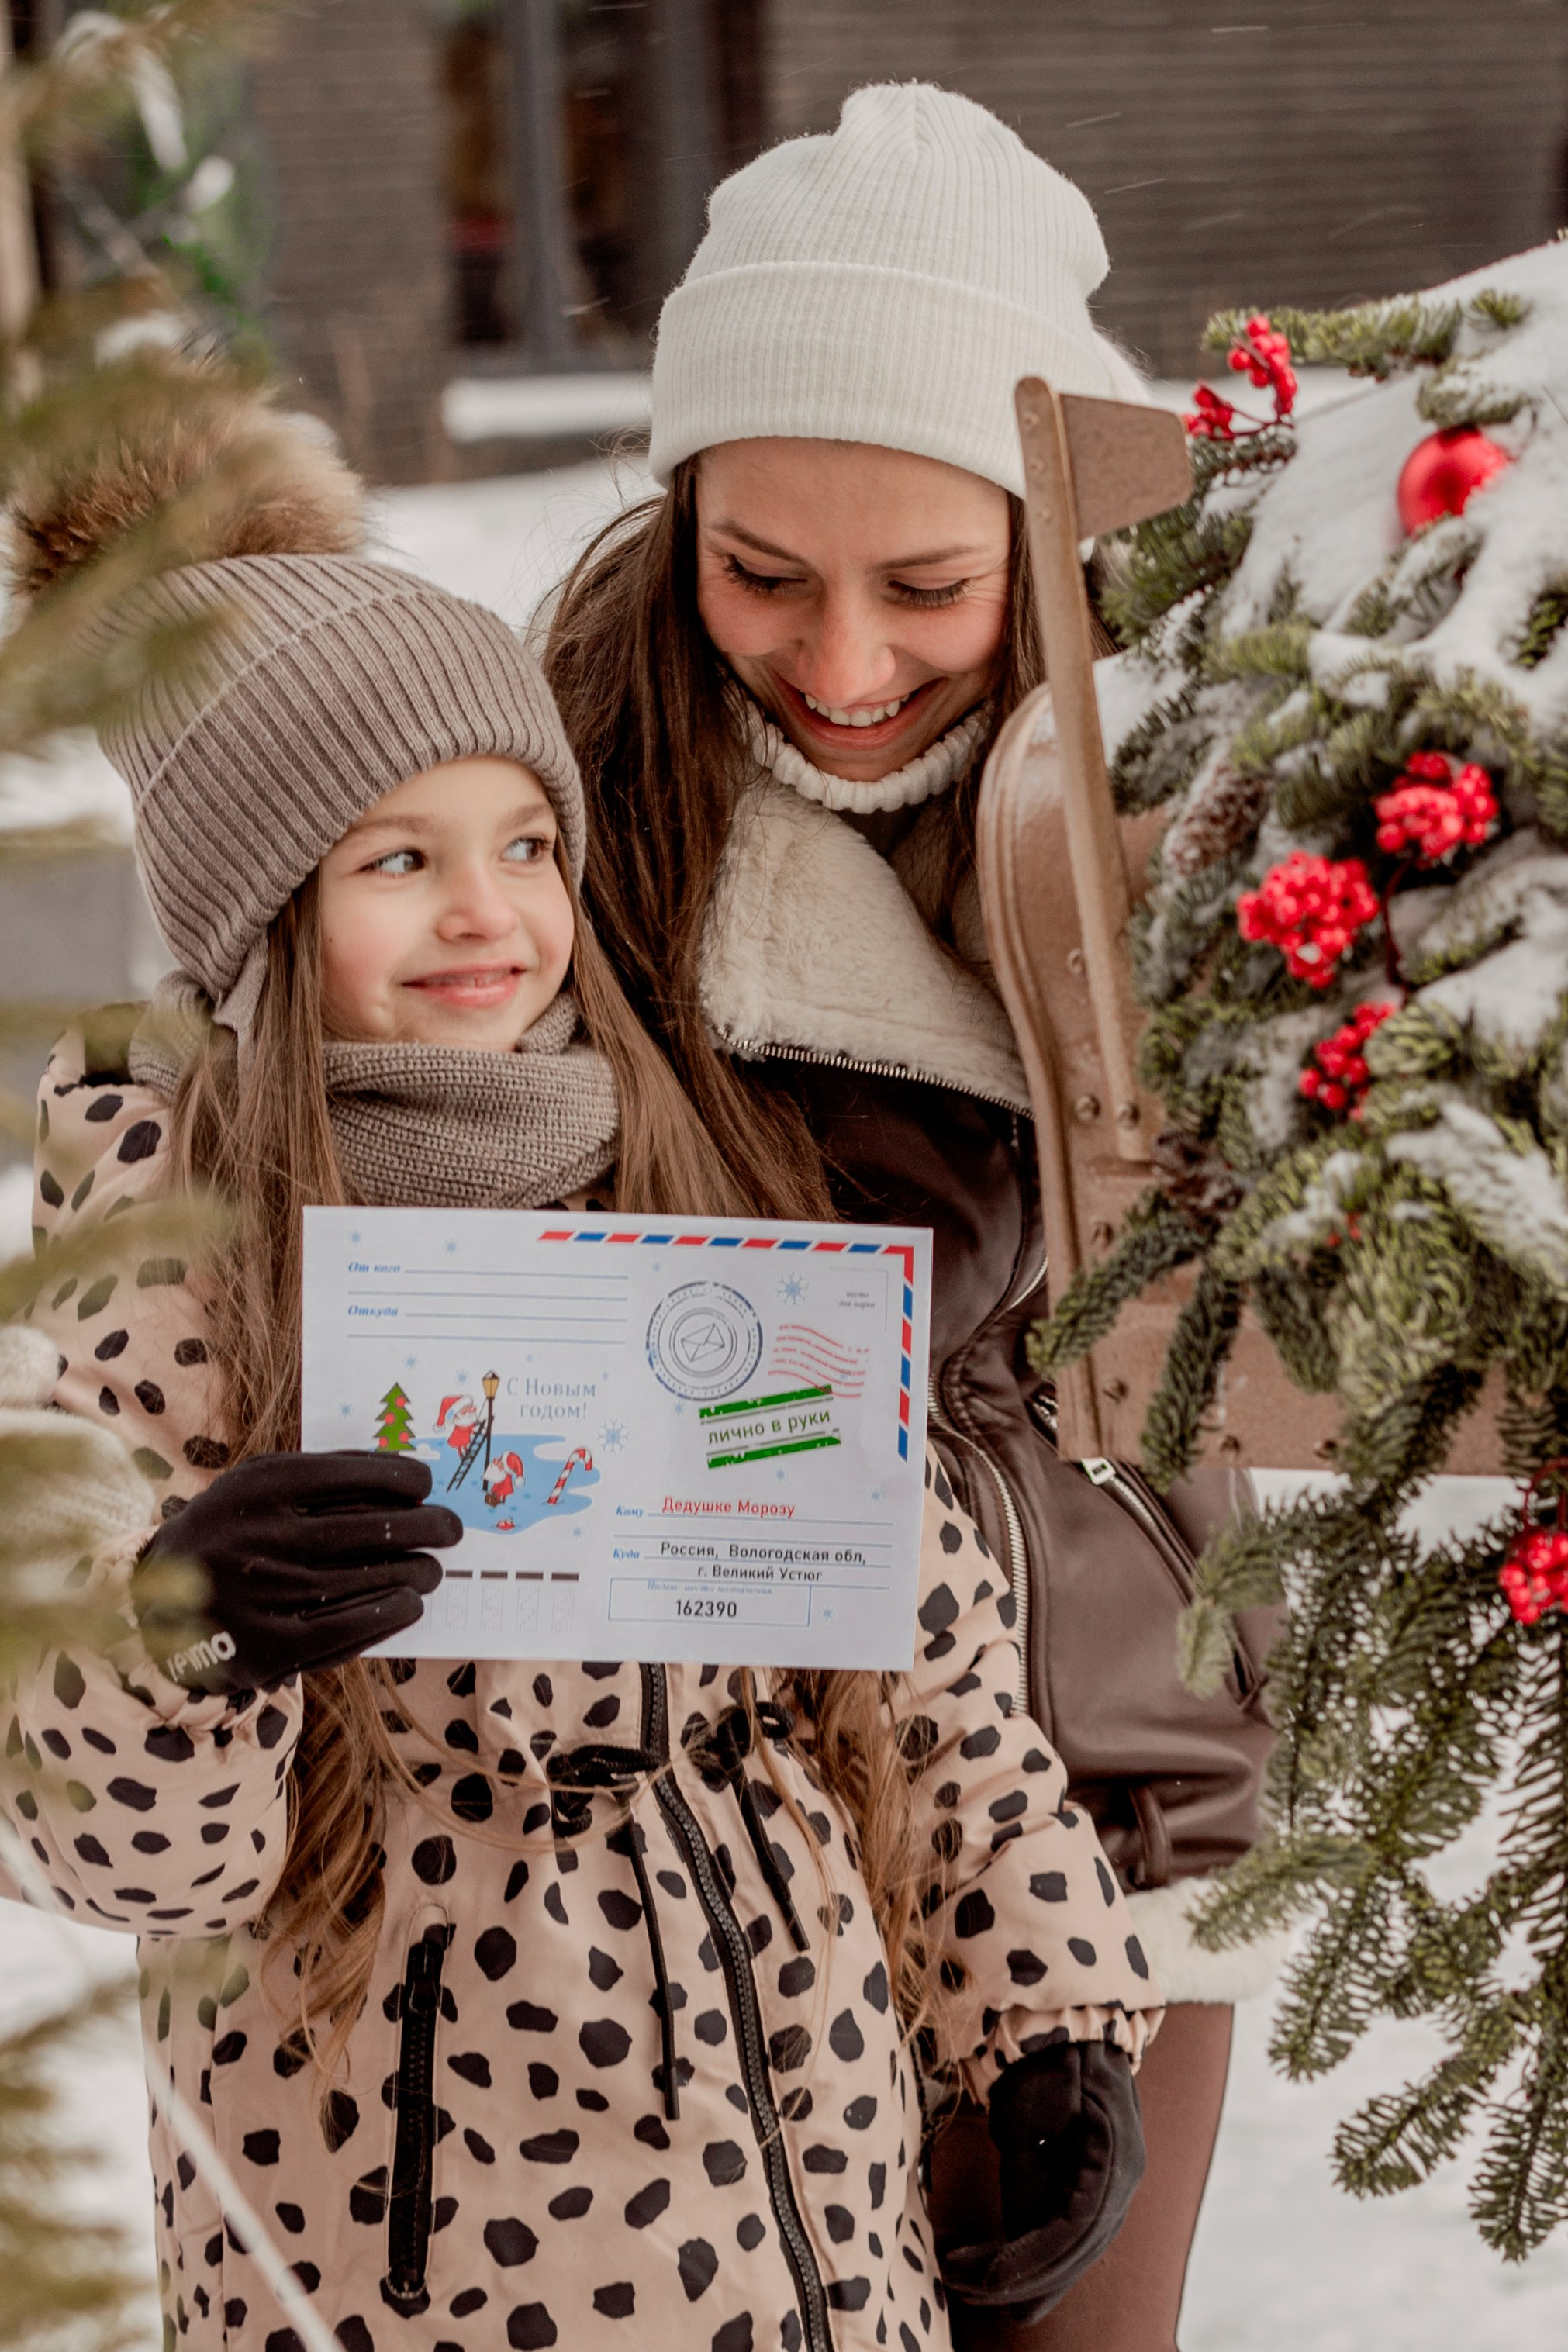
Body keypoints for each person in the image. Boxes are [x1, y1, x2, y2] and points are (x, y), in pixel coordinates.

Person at [0, 392, 1161, 2352]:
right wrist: (174, 1634)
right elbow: (119, 1853)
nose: (491, 914)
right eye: (396, 860)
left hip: (805, 2193)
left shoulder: (682, 1181)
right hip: (421, 2228)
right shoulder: (171, 1270)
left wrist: (1039, 2017)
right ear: (257, 914)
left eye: (526, 841)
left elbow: (926, 1655)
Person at [544, 82, 1281, 2351]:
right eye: (758, 570)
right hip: (736, 1822)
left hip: (1135, 1774)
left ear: (1049, 530)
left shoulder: (1222, 774)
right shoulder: (554, 808)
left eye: (926, 585)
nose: (841, 664)